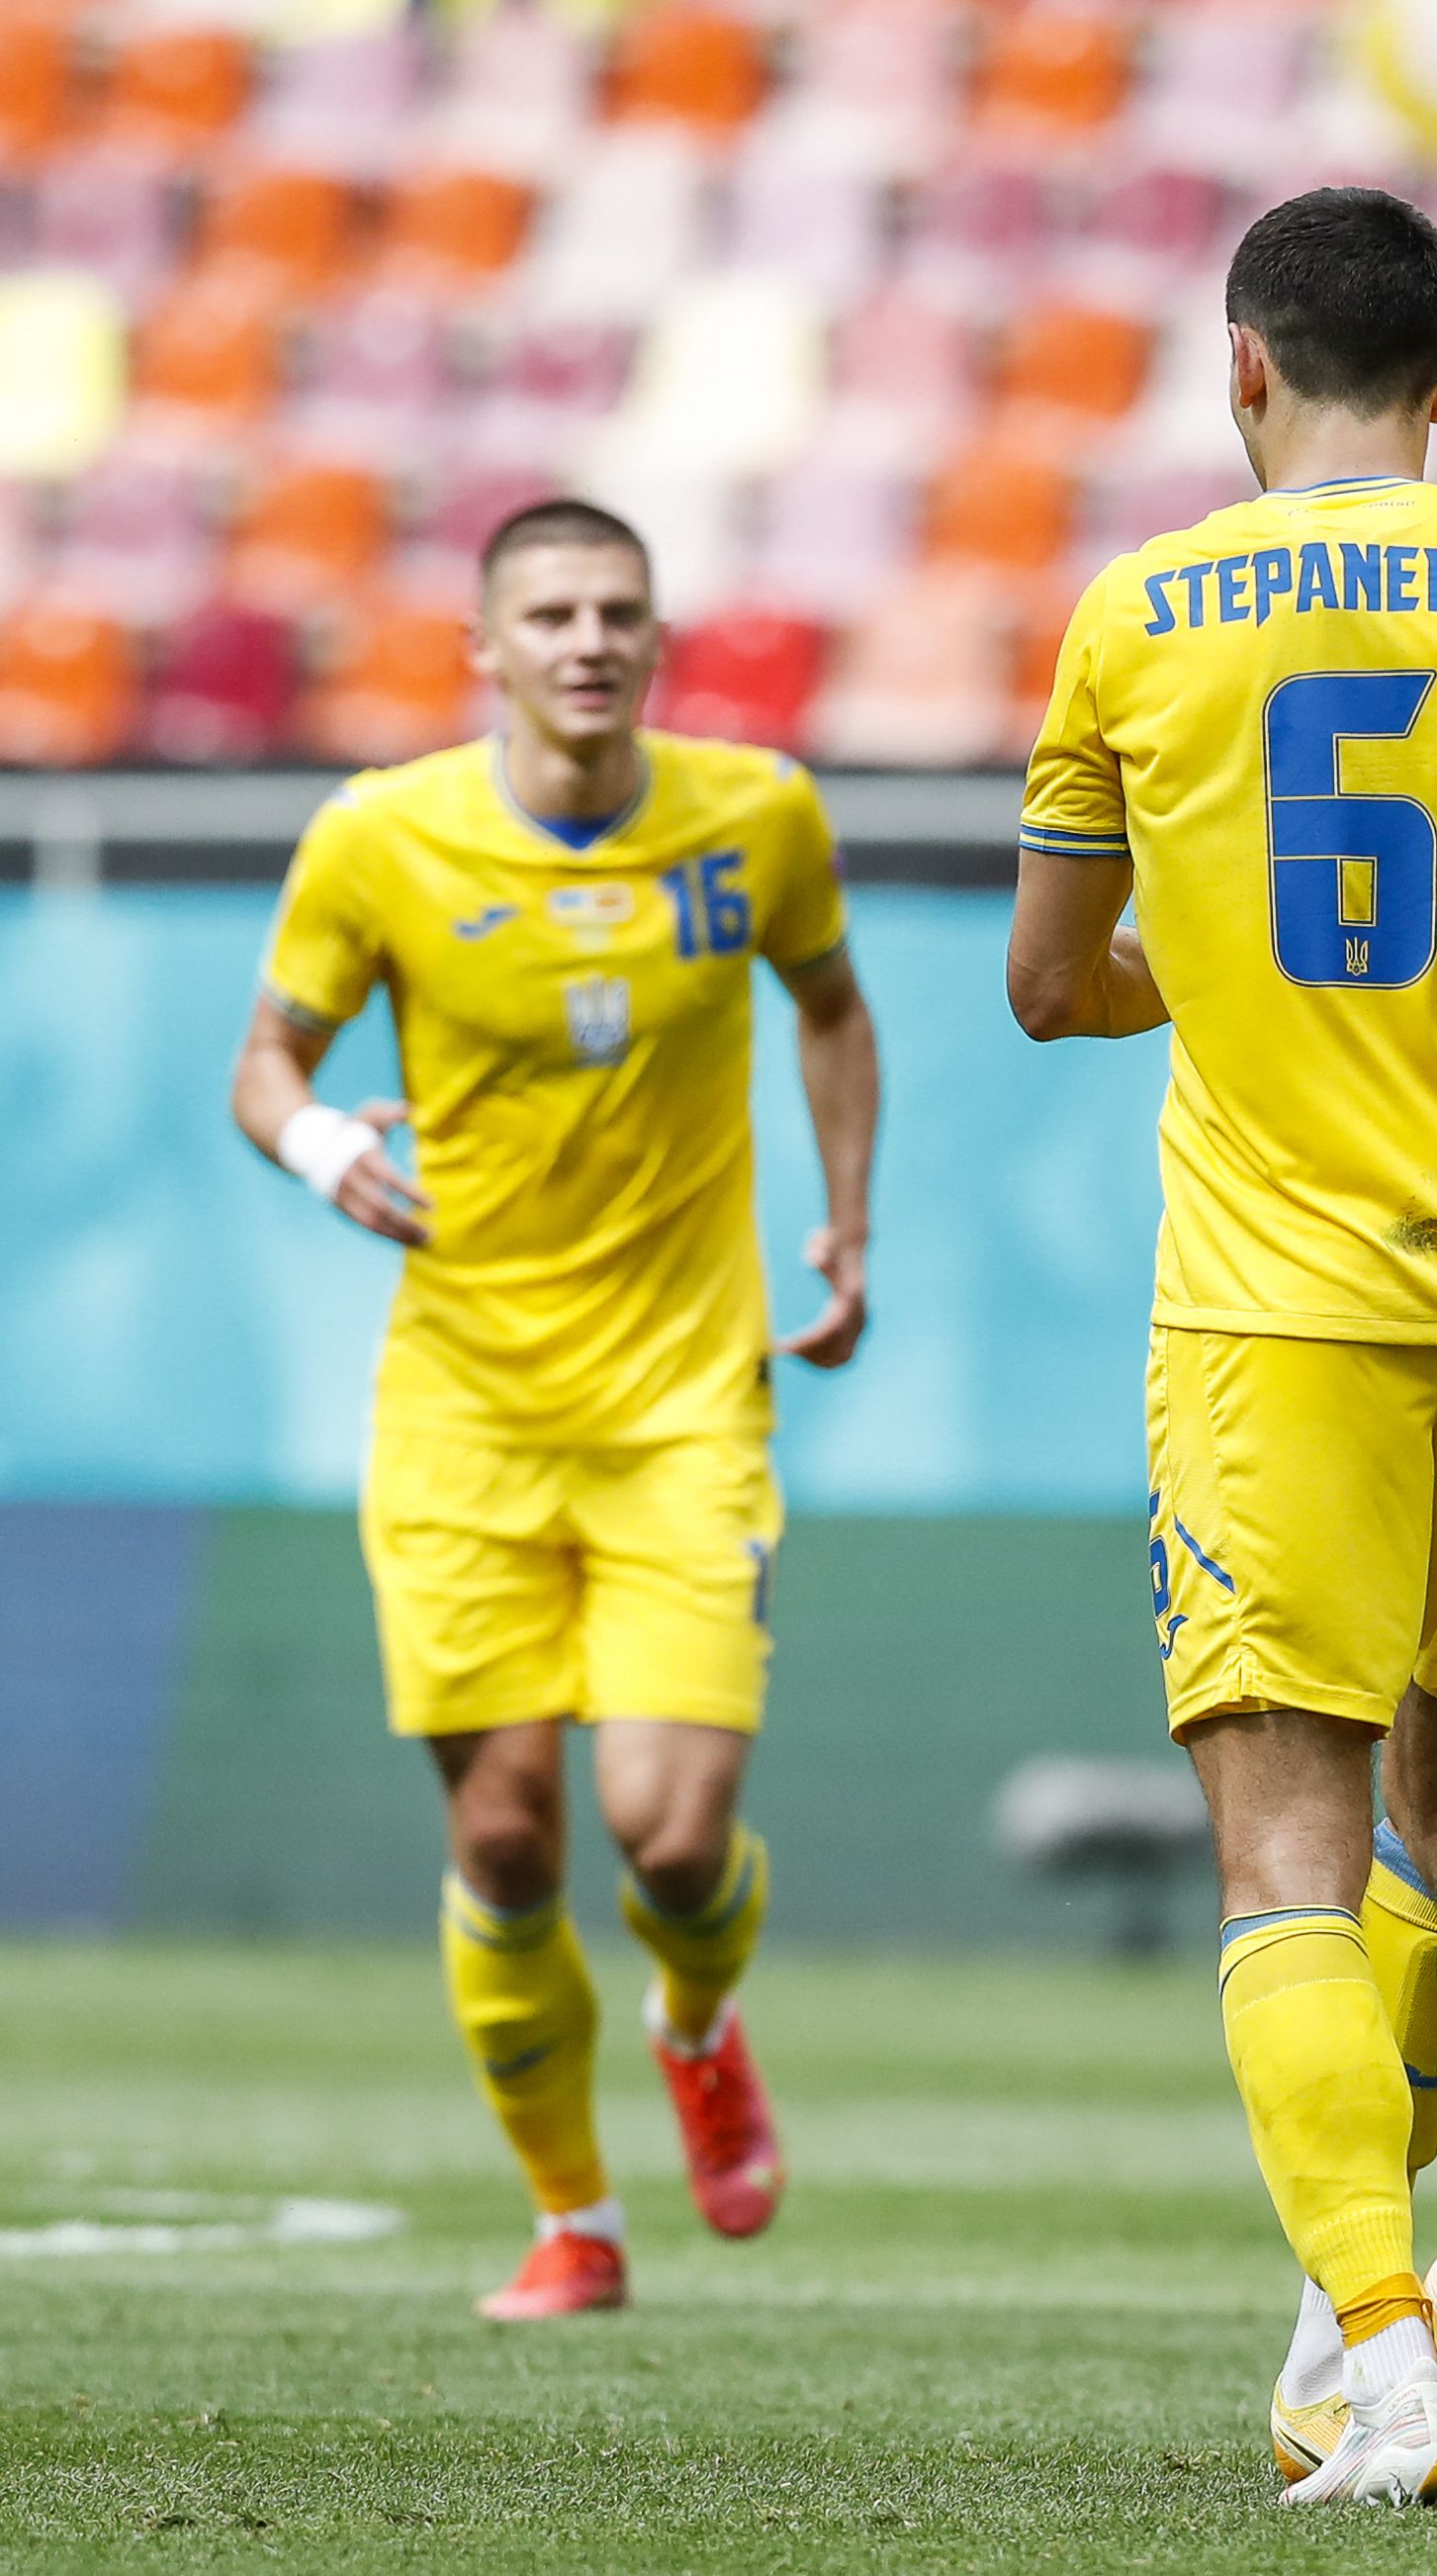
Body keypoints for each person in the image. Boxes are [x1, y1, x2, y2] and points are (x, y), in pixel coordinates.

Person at [1007, 186, 1437, 2505]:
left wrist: (1215, 973)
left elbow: (1048, 978)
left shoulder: (1135, 611)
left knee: (1292, 1857)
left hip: (1274, 1304)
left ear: (1238, 369)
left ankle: (1387, 2363)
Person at [229, 498, 878, 2325]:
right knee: (507, 1839)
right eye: (552, 615)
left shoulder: (756, 819)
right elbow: (264, 1060)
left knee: (670, 1837)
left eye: (619, 612)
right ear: (486, 651)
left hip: (686, 1404)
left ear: (657, 642)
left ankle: (695, 2015)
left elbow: (831, 1010)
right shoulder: (381, 839)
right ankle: (573, 2219)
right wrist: (323, 1139)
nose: (588, 641)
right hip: (464, 1416)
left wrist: (844, 1216)